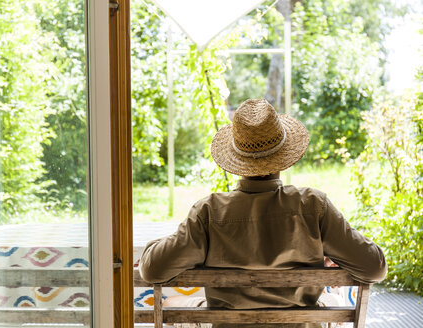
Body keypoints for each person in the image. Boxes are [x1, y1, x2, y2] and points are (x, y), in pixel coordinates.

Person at [138, 98, 387, 328]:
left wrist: (157, 245)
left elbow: (152, 270)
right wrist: (328, 254)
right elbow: (374, 268)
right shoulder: (313, 206)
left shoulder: (208, 212)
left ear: (237, 159)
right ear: (283, 157)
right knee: (333, 297)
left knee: (173, 304)